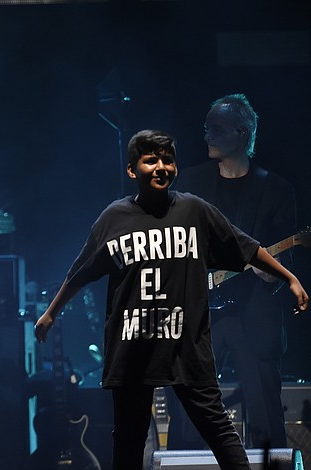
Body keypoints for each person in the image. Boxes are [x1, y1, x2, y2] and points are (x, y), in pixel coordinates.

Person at [33, 129, 308, 470]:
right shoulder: (113, 219)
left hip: (185, 346)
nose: (161, 166)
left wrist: (290, 278)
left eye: (167, 160)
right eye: (151, 160)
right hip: (133, 348)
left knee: (219, 431)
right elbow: (80, 272)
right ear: (133, 170)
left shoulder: (194, 210)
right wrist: (50, 313)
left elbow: (246, 247)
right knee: (129, 441)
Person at [171, 93, 297, 449]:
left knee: (265, 421)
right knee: (191, 415)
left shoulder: (275, 189)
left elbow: (285, 261)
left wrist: (272, 274)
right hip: (201, 315)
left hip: (254, 315)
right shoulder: (190, 184)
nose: (207, 136)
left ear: (242, 133)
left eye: (216, 129)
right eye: (206, 128)